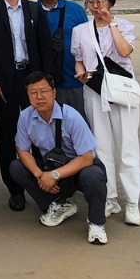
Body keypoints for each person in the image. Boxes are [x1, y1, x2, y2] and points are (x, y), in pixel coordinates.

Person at [0, 0, 54, 213]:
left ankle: (44, 185)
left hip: (33, 79)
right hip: (5, 84)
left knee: (40, 135)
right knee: (8, 137)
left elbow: (45, 47)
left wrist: (47, 82)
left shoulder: (34, 10)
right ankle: (15, 191)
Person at [10, 71, 109, 244]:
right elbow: (22, 150)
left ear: (54, 92)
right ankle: (57, 204)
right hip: (50, 167)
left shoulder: (72, 116)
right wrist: (40, 175)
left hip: (77, 169)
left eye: (44, 91)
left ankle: (96, 223)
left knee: (93, 175)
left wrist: (54, 175)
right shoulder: (25, 117)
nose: (39, 97)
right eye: (33, 93)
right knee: (16, 167)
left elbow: (86, 158)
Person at [73, 0, 140, 226]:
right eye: (91, 1)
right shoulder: (81, 30)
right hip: (94, 91)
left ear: (110, 1)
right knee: (101, 148)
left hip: (121, 91)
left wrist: (110, 23)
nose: (96, 5)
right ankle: (110, 197)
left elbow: (124, 51)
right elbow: (79, 59)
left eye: (100, 0)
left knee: (128, 147)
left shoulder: (124, 25)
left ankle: (132, 202)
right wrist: (81, 72)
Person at [31, 0, 89, 118]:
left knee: (79, 122)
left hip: (74, 80)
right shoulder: (30, 11)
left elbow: (88, 41)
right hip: (42, 84)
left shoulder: (75, 10)